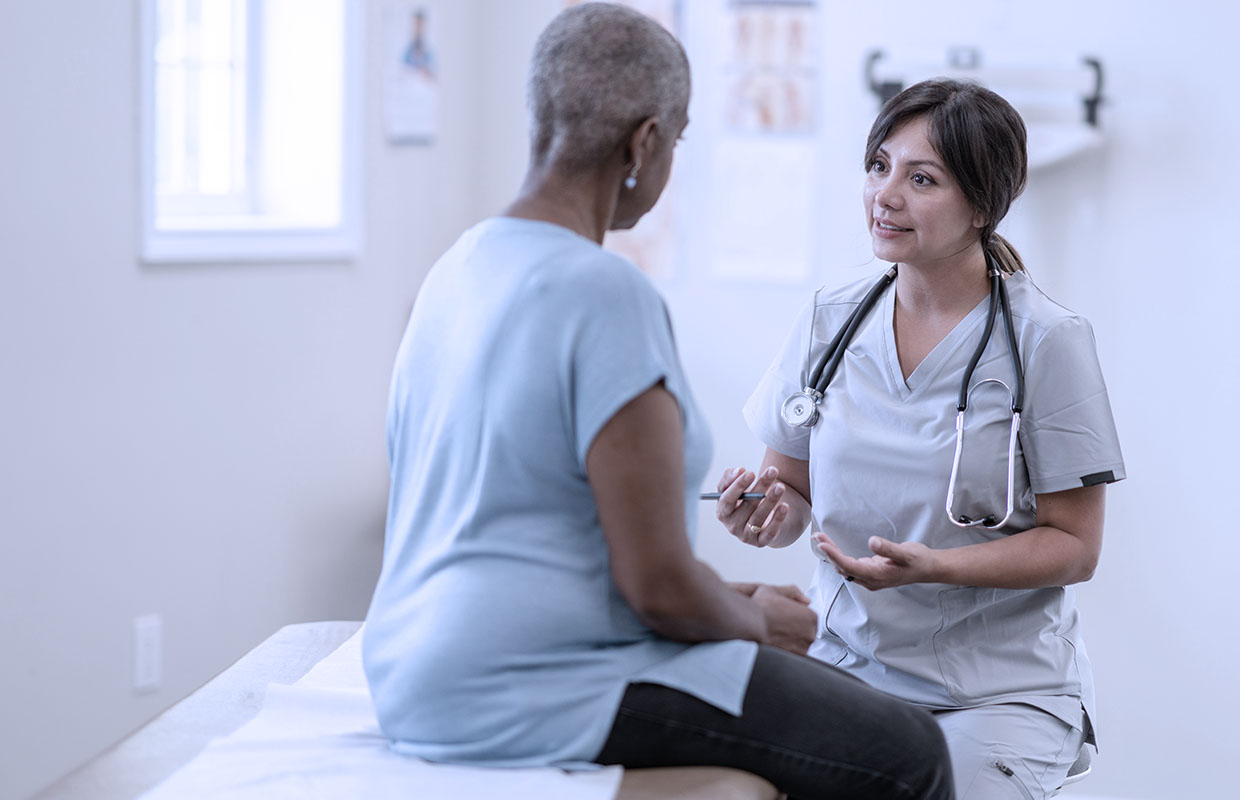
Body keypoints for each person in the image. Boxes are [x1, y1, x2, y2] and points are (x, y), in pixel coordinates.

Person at [363, 5, 953, 799]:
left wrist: (730, 597)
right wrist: (760, 622)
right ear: (644, 143)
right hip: (530, 687)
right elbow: (658, 587)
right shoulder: (603, 291)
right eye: (675, 140)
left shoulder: (458, 268)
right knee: (907, 751)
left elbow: (532, 529)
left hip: (413, 670)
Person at [716, 78, 1125, 799]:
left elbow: (1075, 546)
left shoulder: (1048, 341)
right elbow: (792, 492)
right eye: (879, 167)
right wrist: (766, 512)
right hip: (846, 672)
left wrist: (935, 566)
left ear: (981, 205)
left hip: (995, 693)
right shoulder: (829, 320)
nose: (886, 195)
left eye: (922, 178)